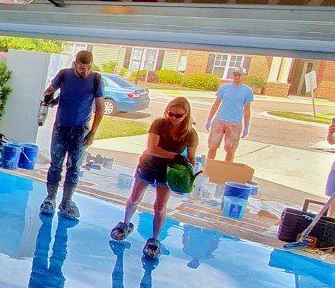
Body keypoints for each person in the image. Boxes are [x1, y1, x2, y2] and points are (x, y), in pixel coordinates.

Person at [110, 97, 198, 260]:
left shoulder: (190, 134)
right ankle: (125, 223)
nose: (173, 118)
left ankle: (154, 239)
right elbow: (152, 148)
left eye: (178, 115)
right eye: (170, 113)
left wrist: (188, 172)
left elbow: (191, 158)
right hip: (148, 165)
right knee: (135, 198)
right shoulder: (159, 124)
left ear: (186, 115)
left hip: (168, 172)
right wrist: (175, 156)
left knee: (159, 206)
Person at [39, 50, 103, 221]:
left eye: (88, 68)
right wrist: (48, 98)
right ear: (75, 65)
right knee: (56, 164)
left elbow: (101, 108)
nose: (85, 72)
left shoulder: (96, 80)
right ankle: (50, 198)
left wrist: (93, 132)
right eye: (82, 68)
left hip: (81, 129)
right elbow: (49, 90)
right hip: (61, 127)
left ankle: (67, 201)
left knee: (74, 167)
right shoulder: (64, 75)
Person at [204, 69, 254, 163]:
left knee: (231, 149)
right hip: (219, 121)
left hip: (234, 123)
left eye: (239, 75)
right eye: (235, 74)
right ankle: (209, 166)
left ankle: (226, 169)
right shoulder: (224, 88)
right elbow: (216, 104)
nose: (237, 77)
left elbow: (247, 109)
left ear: (243, 76)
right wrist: (209, 119)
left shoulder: (248, 91)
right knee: (212, 146)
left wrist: (246, 125)